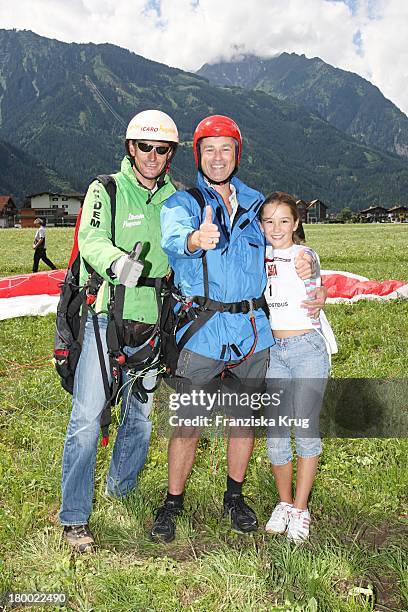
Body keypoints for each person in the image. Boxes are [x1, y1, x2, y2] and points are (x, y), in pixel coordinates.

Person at [151, 115, 320, 544]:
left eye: (226, 148)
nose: (218, 157)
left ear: (237, 154)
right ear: (198, 155)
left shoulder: (257, 204)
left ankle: (235, 496)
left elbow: (286, 243)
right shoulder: (183, 203)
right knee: (188, 422)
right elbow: (173, 240)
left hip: (252, 333)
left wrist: (311, 265)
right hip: (202, 332)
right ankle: (172, 502)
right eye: (209, 149)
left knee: (242, 421)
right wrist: (195, 240)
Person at [59, 109, 179, 553]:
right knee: (88, 419)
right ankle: (74, 518)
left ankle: (121, 491)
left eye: (161, 148)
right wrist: (116, 263)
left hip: (154, 320)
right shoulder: (105, 188)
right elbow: (89, 238)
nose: (152, 155)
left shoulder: (176, 199)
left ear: (170, 154)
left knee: (142, 420)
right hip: (105, 315)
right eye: (144, 146)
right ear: (131, 148)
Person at [259, 191, 336, 543]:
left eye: (284, 221)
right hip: (274, 351)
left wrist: (316, 284)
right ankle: (285, 503)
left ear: (296, 223)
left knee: (304, 430)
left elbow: (312, 269)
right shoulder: (259, 257)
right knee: (276, 434)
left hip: (306, 349)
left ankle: (302, 509)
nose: (276, 228)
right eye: (269, 221)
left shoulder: (303, 255)